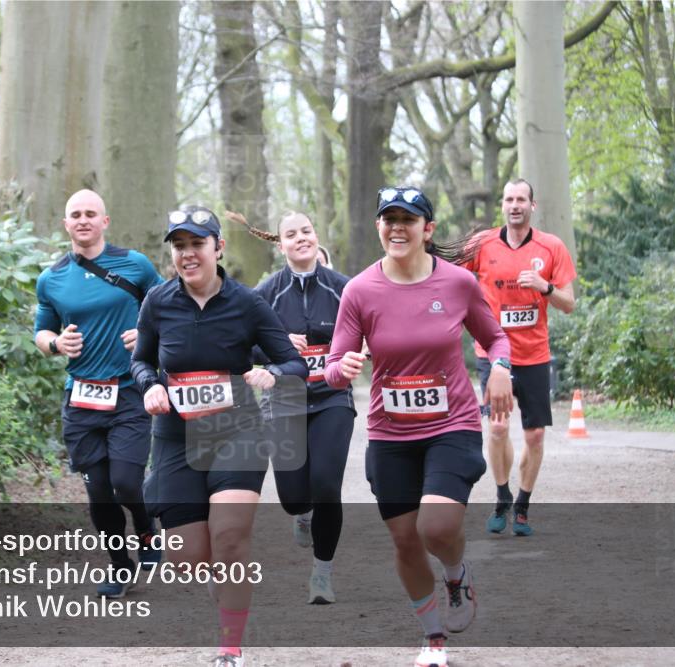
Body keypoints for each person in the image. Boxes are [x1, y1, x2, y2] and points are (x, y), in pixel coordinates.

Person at [324, 186, 513, 667]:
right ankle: (433, 638)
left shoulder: (457, 284)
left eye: (408, 220)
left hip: (452, 424)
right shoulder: (359, 290)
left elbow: (495, 338)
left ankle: (456, 573)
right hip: (390, 433)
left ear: (427, 229)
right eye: (389, 219)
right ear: (378, 227)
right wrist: (342, 368)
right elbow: (332, 367)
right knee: (405, 540)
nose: (397, 228)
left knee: (437, 527)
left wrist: (500, 368)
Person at [132, 206, 308, 667]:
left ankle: (230, 649)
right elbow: (141, 360)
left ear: (219, 248)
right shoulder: (158, 302)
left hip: (238, 431)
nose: (188, 254)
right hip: (176, 436)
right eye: (179, 246)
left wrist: (272, 373)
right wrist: (149, 385)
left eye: (198, 244)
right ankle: (226, 582)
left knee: (229, 536)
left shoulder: (247, 303)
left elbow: (293, 361)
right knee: (187, 559)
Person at [34, 189, 164, 598]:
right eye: (76, 214)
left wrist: (147, 334)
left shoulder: (135, 265)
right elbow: (41, 332)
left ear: (105, 221)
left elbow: (169, 308)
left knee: (126, 483)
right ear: (66, 224)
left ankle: (145, 527)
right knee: (98, 492)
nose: (83, 220)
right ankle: (120, 566)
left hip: (128, 392)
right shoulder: (51, 278)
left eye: (91, 213)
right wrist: (57, 344)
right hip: (81, 399)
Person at [227, 210, 355, 605]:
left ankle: (322, 573)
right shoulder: (264, 294)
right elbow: (240, 346)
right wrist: (278, 346)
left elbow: (368, 330)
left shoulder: (343, 288)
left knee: (327, 485)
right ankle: (303, 513)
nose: (301, 238)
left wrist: (355, 352)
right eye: (291, 234)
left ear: (316, 237)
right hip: (284, 401)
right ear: (280, 245)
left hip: (332, 397)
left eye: (307, 231)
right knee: (293, 497)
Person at [463, 179, 576, 536]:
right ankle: (502, 498)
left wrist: (545, 287)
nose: (515, 205)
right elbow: (453, 281)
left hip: (534, 354)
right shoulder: (481, 244)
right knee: (497, 427)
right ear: (502, 205)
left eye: (521, 199)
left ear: (532, 205)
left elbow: (569, 303)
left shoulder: (551, 247)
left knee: (536, 435)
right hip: (493, 353)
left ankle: (523, 506)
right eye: (509, 199)